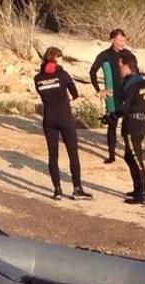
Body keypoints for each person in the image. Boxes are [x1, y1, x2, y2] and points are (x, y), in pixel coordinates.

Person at [34, 46, 92, 201]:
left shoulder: (38, 78)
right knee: (73, 154)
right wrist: (67, 99)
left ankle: (57, 190)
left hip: (49, 118)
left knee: (53, 156)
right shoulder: (63, 74)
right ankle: (77, 189)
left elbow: (43, 95)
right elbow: (75, 93)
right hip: (64, 117)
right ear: (57, 59)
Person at [90, 29, 135, 164]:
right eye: (120, 40)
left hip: (127, 93)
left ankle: (129, 153)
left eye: (124, 40)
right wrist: (99, 90)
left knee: (129, 125)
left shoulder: (128, 54)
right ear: (112, 40)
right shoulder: (105, 55)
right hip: (113, 94)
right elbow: (92, 72)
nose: (123, 43)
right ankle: (111, 155)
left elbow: (135, 71)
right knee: (112, 124)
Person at [115, 51, 145, 205]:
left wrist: (111, 116)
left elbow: (125, 107)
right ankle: (137, 189)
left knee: (136, 159)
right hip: (140, 123)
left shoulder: (131, 86)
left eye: (120, 66)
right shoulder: (143, 84)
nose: (119, 70)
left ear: (127, 66)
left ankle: (142, 195)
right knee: (129, 157)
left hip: (132, 125)